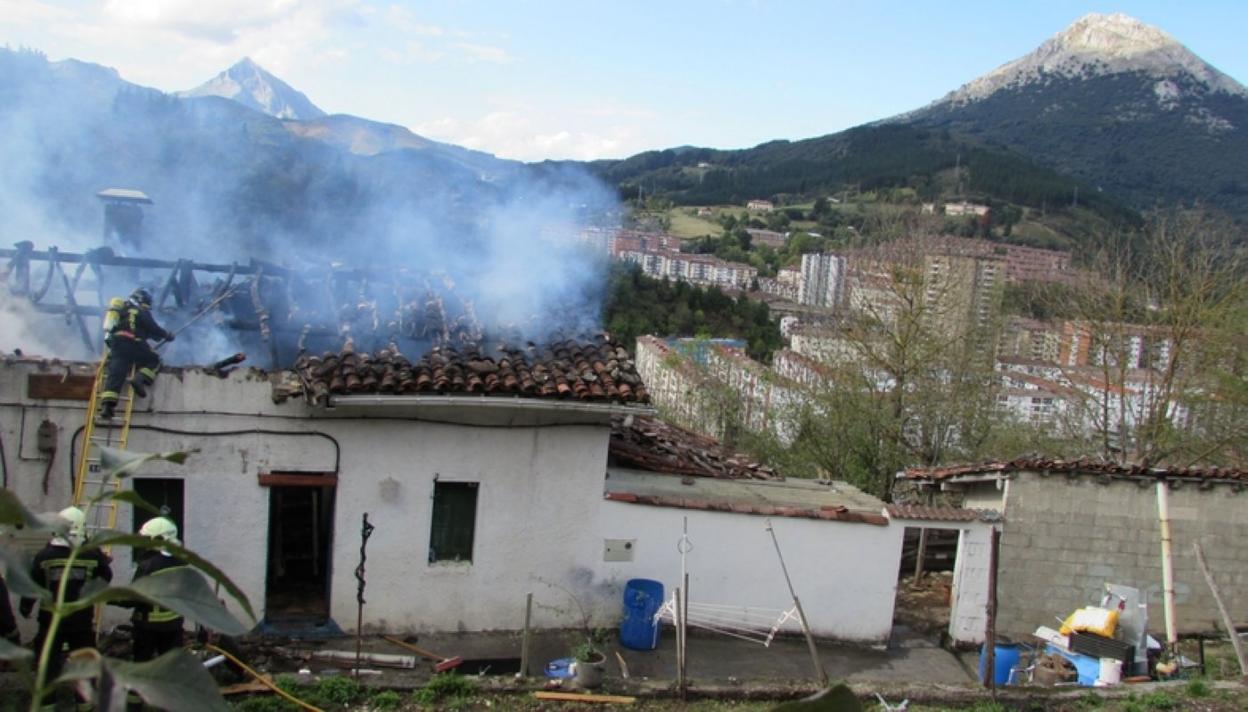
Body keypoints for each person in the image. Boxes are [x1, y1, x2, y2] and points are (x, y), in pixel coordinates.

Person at [19, 507, 113, 679]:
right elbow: (106, 576)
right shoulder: (92, 555)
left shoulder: (44, 556)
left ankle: (48, 694)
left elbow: (32, 586)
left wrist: (25, 607)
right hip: (81, 620)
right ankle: (86, 695)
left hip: (51, 620)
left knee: (48, 666)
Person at [99, 288, 173, 419]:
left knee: (115, 375)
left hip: (118, 345)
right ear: (142, 300)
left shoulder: (122, 310)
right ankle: (140, 379)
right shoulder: (140, 310)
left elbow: (146, 331)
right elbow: (152, 327)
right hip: (134, 343)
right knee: (154, 360)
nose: (147, 306)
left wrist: (160, 337)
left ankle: (107, 407)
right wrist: (166, 334)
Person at [129, 517, 187, 662]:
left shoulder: (148, 565)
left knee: (143, 666)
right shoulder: (180, 560)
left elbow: (132, 597)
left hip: (148, 627)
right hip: (174, 625)